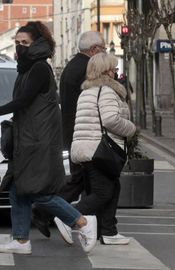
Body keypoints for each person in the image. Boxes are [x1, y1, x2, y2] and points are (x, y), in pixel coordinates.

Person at [0, 21, 97, 254]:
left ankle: (81, 221)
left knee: (37, 192)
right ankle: (21, 240)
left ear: (37, 44)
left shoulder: (39, 69)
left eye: (25, 42)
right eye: (17, 42)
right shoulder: (27, 68)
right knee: (17, 188)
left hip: (38, 141)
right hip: (28, 138)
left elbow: (24, 101)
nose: (20, 47)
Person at [54, 52, 136, 245]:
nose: (116, 71)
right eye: (114, 67)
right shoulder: (106, 91)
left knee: (112, 188)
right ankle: (68, 216)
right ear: (106, 70)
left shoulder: (87, 91)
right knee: (103, 193)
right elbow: (110, 120)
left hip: (87, 148)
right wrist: (131, 128)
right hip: (99, 150)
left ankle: (108, 231)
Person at [32, 31, 107, 238]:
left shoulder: (73, 65)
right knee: (81, 180)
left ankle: (91, 224)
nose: (104, 53)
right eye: (103, 49)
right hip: (81, 133)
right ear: (93, 50)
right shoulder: (86, 68)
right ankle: (46, 211)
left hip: (74, 131)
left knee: (83, 181)